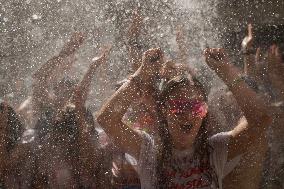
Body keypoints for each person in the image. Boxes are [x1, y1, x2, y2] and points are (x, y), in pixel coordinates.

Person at [97, 47, 271, 188]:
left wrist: (226, 71)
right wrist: (142, 73)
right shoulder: (148, 150)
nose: (188, 115)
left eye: (197, 107)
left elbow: (261, 120)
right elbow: (106, 119)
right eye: (179, 106)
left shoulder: (215, 150)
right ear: (164, 110)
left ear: (204, 113)